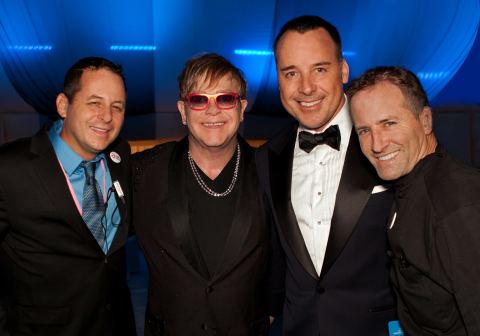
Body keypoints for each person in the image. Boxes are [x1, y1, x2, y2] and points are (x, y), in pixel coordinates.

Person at [255, 15, 397, 335]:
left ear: (343, 71)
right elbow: (275, 258)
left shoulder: (386, 141)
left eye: (320, 69)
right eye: (291, 73)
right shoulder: (266, 159)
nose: (306, 87)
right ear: (278, 78)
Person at [132, 53, 271, 336]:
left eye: (225, 98)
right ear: (183, 111)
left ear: (242, 108)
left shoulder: (271, 172)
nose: (212, 110)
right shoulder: (143, 172)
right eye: (199, 100)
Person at [0, 57, 136, 336]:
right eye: (94, 102)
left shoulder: (120, 156)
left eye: (117, 107)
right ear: (63, 105)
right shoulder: (9, 169)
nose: (107, 116)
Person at [347, 66, 480, 335]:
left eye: (389, 123)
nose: (377, 144)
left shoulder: (457, 201)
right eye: (364, 131)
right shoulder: (410, 185)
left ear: (426, 121)